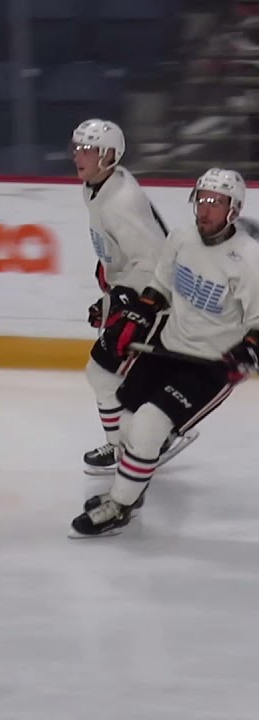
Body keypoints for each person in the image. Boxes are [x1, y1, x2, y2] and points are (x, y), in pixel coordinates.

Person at [72, 167, 259, 537]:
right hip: (165, 347)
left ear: (233, 209)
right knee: (125, 426)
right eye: (202, 200)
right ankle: (133, 487)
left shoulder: (250, 260)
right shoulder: (181, 239)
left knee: (147, 427)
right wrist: (137, 315)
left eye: (216, 202)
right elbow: (159, 286)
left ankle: (121, 505)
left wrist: (246, 353)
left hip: (209, 366)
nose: (205, 210)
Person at [71, 118, 198, 477]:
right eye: (77, 148)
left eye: (89, 149)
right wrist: (110, 280)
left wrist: (131, 298)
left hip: (155, 296)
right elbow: (122, 247)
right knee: (118, 374)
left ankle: (133, 444)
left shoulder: (121, 200)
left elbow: (157, 258)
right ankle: (141, 439)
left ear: (110, 155)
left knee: (103, 371)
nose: (79, 156)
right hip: (133, 288)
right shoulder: (97, 187)